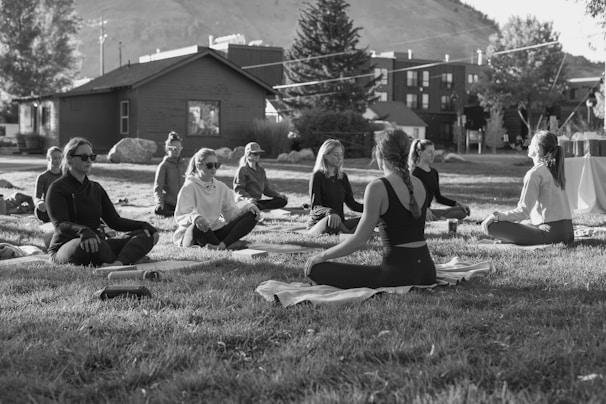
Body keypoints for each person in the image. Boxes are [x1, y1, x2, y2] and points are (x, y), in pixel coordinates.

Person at [305, 129, 436, 288]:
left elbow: (358, 240)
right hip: (428, 272)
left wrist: (322, 256)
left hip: (397, 275)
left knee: (316, 269)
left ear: (380, 156)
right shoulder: (419, 183)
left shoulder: (378, 187)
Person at [46, 137, 159, 266]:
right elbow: (60, 225)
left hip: (96, 242)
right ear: (70, 158)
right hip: (66, 246)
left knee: (145, 235)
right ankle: (127, 258)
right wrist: (84, 231)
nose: (89, 160)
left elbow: (115, 221)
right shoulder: (57, 188)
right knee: (92, 244)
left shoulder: (96, 188)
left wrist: (143, 225)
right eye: (84, 157)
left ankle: (118, 263)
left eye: (91, 157)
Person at [481, 130, 574, 245]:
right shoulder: (555, 170)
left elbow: (522, 211)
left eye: (531, 144)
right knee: (525, 223)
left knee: (492, 226)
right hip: (568, 232)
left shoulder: (534, 174)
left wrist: (496, 216)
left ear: (538, 148)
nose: (529, 146)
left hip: (550, 234)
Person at [173, 148, 262, 250]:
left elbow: (231, 215)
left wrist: (247, 207)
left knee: (253, 215)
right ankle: (229, 245)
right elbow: (180, 216)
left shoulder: (221, 187)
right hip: (194, 233)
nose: (214, 168)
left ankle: (221, 246)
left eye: (217, 165)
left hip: (215, 232)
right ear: (198, 166)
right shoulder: (189, 187)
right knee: (198, 226)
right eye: (210, 165)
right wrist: (195, 217)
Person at [307, 139, 363, 235]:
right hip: (321, 223)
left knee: (370, 219)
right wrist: (330, 212)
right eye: (336, 155)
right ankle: (350, 235)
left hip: (339, 223)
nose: (340, 158)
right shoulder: (317, 176)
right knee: (330, 221)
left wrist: (372, 209)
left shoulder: (342, 177)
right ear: (325, 156)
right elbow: (315, 207)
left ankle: (346, 234)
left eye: (341, 155)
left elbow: (352, 204)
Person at [409, 139, 470, 221]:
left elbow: (439, 198)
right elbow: (410, 197)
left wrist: (458, 203)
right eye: (429, 152)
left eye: (434, 152)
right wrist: (423, 208)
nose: (433, 155)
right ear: (420, 153)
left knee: (462, 211)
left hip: (429, 211)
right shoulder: (414, 173)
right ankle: (438, 219)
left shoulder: (434, 172)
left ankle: (438, 218)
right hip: (417, 211)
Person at [233, 142, 288, 211]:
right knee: (254, 205)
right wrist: (248, 199)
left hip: (256, 201)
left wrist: (277, 195)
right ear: (248, 154)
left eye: (259, 154)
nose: (258, 156)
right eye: (255, 154)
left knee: (282, 200)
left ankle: (261, 208)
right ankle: (260, 208)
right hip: (245, 201)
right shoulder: (242, 170)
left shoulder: (261, 170)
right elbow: (239, 190)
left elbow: (266, 189)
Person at [153, 131, 185, 217]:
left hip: (184, 202)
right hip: (170, 203)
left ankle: (177, 214)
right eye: (175, 148)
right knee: (159, 210)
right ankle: (174, 213)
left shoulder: (184, 165)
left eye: (179, 148)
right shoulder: (163, 166)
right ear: (168, 149)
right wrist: (159, 203)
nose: (177, 151)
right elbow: (158, 188)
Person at [34, 146, 63, 222]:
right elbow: (36, 197)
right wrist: (39, 202)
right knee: (40, 212)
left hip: (63, 206)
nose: (58, 161)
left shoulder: (66, 175)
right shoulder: (42, 177)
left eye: (60, 158)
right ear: (49, 159)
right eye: (55, 158)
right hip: (49, 207)